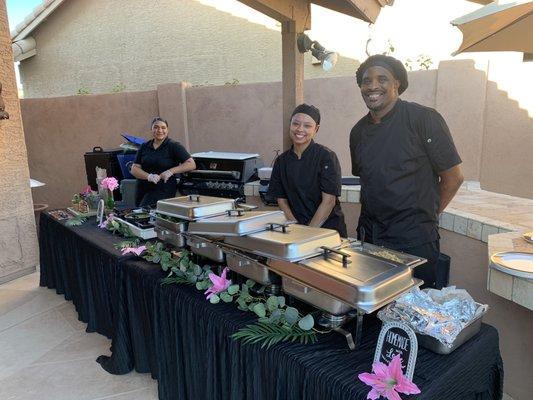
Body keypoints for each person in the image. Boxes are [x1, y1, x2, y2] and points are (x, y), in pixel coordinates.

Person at [350, 54, 464, 288]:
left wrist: (424, 219)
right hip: (370, 241)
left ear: (396, 84)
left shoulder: (423, 120)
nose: (373, 86)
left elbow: (453, 178)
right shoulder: (358, 132)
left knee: (414, 315)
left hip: (414, 244)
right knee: (374, 315)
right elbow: (368, 182)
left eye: (382, 79)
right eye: (366, 80)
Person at [268, 104, 347, 237]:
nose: (300, 129)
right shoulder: (282, 161)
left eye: (307, 126)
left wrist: (308, 234)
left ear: (316, 129)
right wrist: (295, 227)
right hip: (296, 231)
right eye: (296, 124)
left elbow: (328, 202)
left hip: (327, 231)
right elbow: (281, 200)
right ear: (290, 125)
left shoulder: (326, 157)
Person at [131, 117, 196, 207]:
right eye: (156, 127)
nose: (160, 130)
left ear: (167, 130)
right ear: (151, 129)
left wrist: (170, 171)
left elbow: (191, 164)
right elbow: (134, 168)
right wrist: (149, 176)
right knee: (138, 214)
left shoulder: (174, 146)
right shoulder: (144, 146)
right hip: (142, 187)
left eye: (163, 127)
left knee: (146, 210)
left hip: (163, 188)